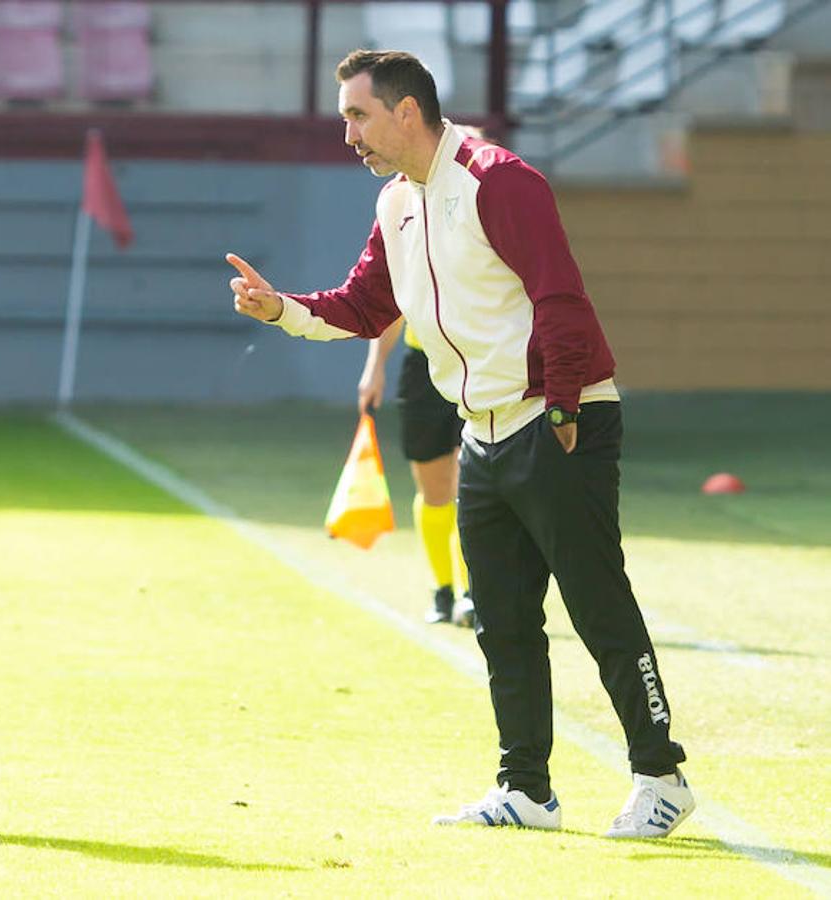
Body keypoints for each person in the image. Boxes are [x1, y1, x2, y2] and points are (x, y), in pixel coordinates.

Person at [227, 50, 693, 839]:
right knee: (501, 619)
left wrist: (565, 409)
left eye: (358, 116)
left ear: (407, 112)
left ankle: (661, 777)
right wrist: (282, 309)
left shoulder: (500, 179)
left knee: (596, 602)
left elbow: (561, 297)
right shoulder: (395, 204)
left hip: (554, 417)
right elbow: (363, 306)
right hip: (479, 432)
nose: (349, 135)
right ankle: (526, 790)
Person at [359, 311, 473, 628]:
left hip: (476, 365)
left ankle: (471, 592)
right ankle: (443, 590)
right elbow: (389, 307)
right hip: (423, 370)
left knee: (470, 485)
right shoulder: (407, 258)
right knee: (434, 492)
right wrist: (375, 366)